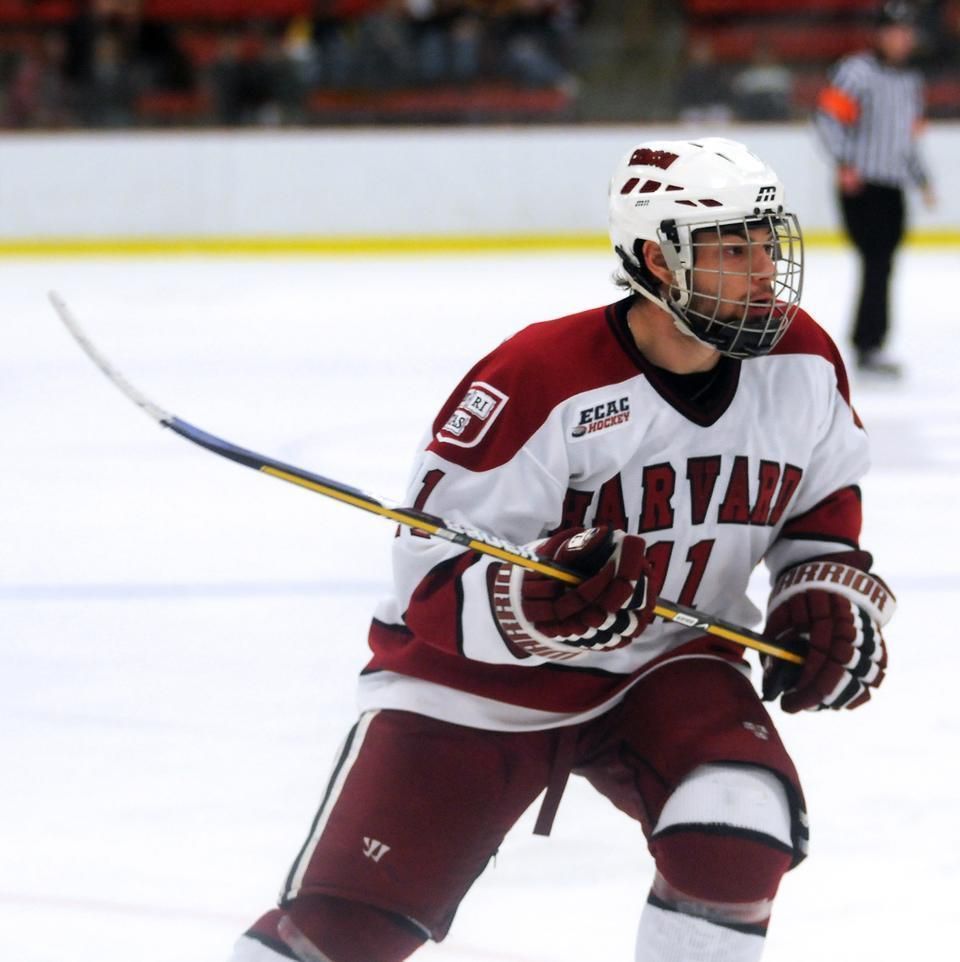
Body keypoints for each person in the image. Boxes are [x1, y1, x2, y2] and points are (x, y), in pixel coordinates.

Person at [227, 137, 894, 962]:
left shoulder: (802, 359)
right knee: (339, 931)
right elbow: (430, 575)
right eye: (732, 247)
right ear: (658, 259)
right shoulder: (538, 377)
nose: (764, 269)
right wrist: (531, 602)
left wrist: (814, 588)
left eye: (768, 242)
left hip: (668, 663)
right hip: (476, 688)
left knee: (740, 820)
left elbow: (821, 497)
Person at [813, 0, 935, 377]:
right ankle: (868, 342)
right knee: (876, 262)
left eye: (905, 32)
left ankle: (870, 342)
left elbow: (906, 141)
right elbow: (827, 119)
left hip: (892, 185)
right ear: (880, 34)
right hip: (862, 185)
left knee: (883, 264)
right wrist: (844, 162)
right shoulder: (856, 72)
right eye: (893, 32)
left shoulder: (910, 82)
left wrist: (922, 179)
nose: (900, 39)